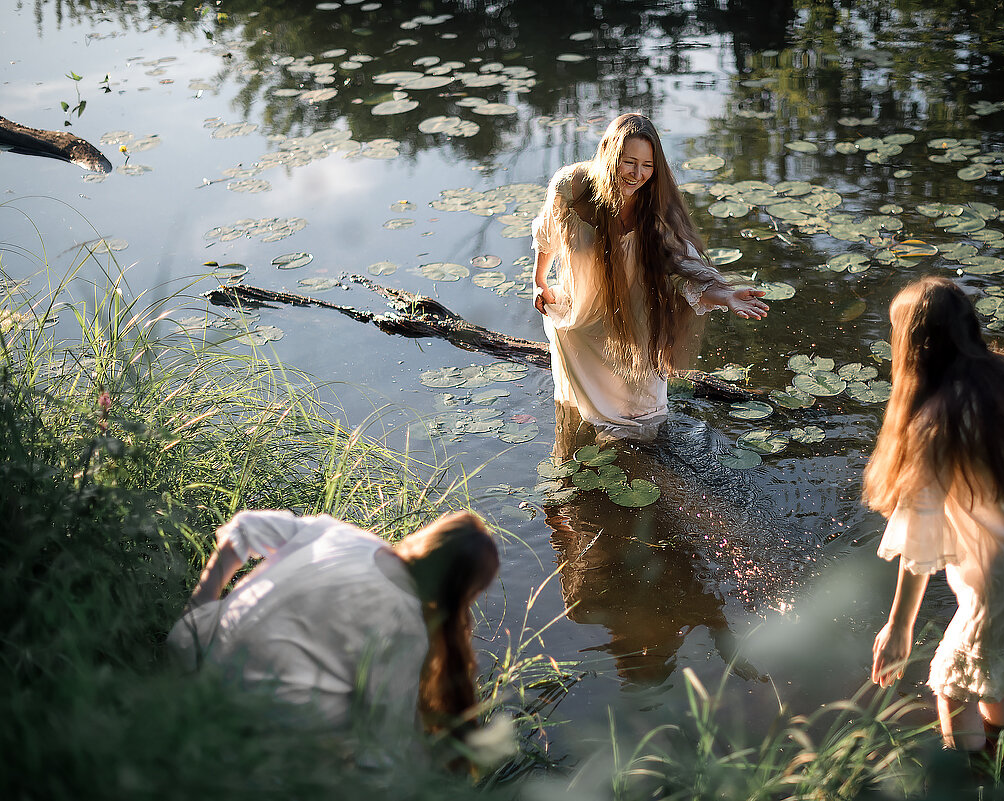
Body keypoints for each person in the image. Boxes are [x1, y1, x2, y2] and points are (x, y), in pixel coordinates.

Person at [863, 276, 1004, 751]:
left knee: (952, 690)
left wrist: (899, 628)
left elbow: (918, 538)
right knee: (994, 673)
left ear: (913, 346)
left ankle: (970, 780)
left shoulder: (936, 420)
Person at [168, 509, 499, 751]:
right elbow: (385, 746)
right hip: (251, 728)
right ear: (460, 596)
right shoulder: (406, 627)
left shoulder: (343, 534)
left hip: (192, 651)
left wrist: (197, 609)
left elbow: (242, 527)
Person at [532, 113, 769, 441]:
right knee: (581, 417)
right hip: (584, 322)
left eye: (648, 165)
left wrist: (726, 295)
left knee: (644, 419)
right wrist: (539, 282)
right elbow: (548, 233)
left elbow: (687, 272)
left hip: (636, 327)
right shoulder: (571, 186)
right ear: (608, 153)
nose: (637, 174)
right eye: (629, 162)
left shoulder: (657, 211)